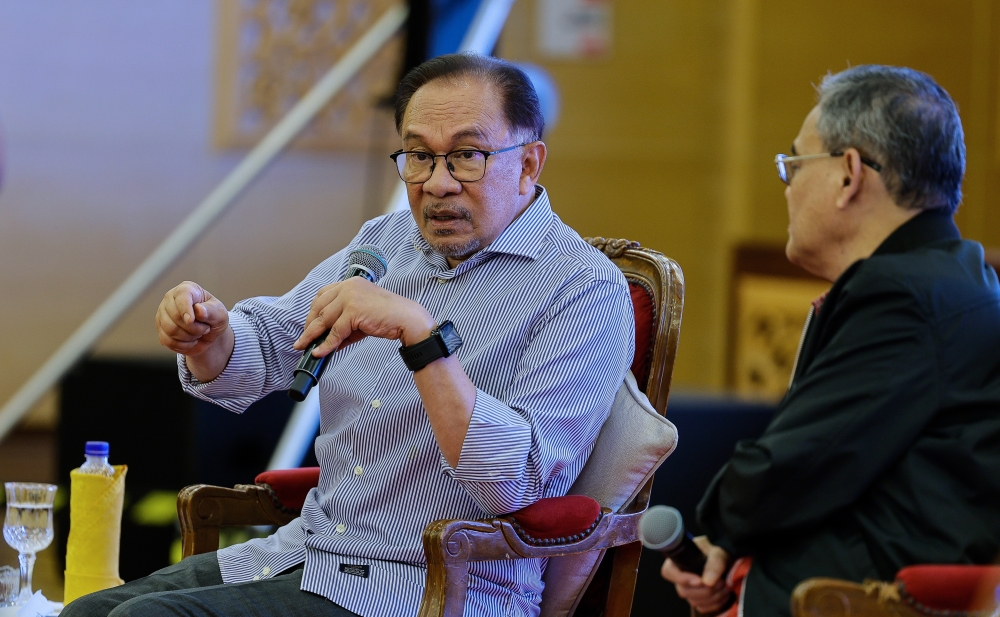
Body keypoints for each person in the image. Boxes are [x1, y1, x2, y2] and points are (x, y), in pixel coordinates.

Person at [63, 53, 634, 617]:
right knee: (84, 614)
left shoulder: (583, 289)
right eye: (417, 156)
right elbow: (273, 345)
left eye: (466, 156)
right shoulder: (387, 241)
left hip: (434, 588)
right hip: (307, 554)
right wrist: (211, 338)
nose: (437, 184)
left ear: (529, 164)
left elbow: (520, 484)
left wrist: (422, 339)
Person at [661, 64, 1000, 616]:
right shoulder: (950, 277)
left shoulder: (903, 293)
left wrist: (721, 534)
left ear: (848, 175)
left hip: (861, 597)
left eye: (793, 164)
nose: (788, 186)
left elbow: (787, 469)